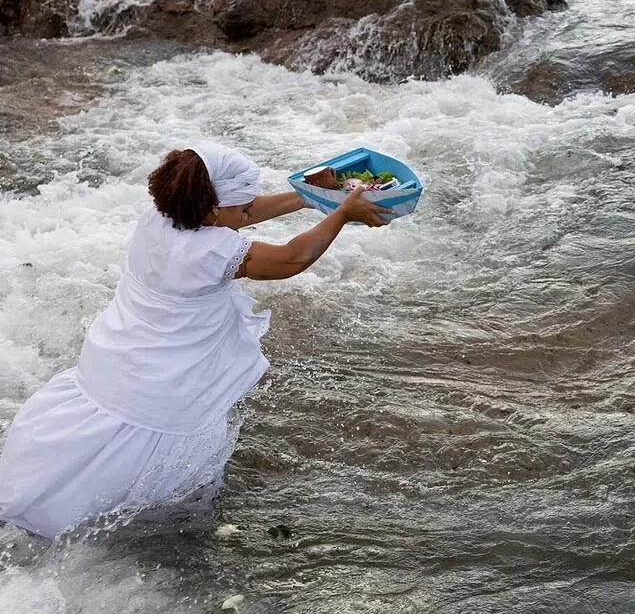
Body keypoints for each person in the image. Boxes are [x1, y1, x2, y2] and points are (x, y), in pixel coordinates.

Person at [0, 142, 387, 539]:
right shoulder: (211, 251)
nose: (251, 212)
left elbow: (246, 211)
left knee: (74, 467)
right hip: (161, 389)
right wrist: (340, 214)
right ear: (214, 210)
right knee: (135, 498)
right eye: (244, 207)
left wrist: (312, 198)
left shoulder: (160, 216)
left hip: (113, 364)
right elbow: (292, 258)